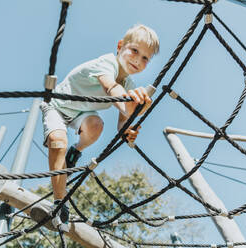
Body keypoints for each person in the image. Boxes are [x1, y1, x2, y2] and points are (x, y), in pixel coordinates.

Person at [40, 24, 160, 227]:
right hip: (58, 106)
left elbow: (123, 120)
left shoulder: (129, 85)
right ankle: (60, 202)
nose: (138, 60)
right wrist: (128, 103)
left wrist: (128, 129)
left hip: (82, 113)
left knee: (96, 126)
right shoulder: (107, 63)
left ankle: (75, 151)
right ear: (120, 46)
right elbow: (111, 87)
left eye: (145, 58)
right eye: (135, 51)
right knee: (58, 140)